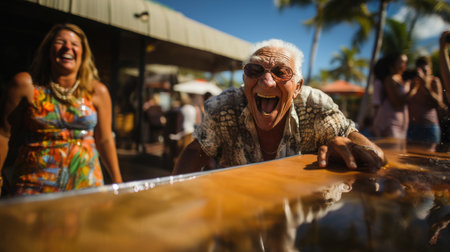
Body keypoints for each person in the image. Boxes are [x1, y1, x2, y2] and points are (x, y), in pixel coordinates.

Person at [172, 39, 385, 175]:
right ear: (245, 79)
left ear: (298, 87)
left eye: (281, 72)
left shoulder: (315, 105)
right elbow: (195, 151)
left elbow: (375, 155)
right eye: (255, 70)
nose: (266, 82)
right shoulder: (224, 107)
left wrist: (347, 147)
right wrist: (175, 196)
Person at [0, 23, 123, 196]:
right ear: (48, 51)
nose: (68, 47)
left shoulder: (97, 91)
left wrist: (120, 185)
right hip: (34, 187)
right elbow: (3, 134)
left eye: (75, 44)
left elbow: (105, 140)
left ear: (83, 54)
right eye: (60, 42)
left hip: (87, 187)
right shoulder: (26, 85)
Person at [372, 53, 420, 139]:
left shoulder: (403, 80)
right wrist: (413, 90)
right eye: (402, 62)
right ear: (392, 64)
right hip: (390, 121)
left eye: (406, 62)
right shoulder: (389, 79)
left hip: (401, 122)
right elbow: (396, 103)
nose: (405, 65)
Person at [407, 56, 447, 148]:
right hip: (412, 126)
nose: (423, 73)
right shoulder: (413, 82)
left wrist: (425, 86)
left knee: (428, 159)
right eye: (420, 70)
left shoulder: (434, 81)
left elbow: (439, 103)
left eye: (425, 70)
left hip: (429, 126)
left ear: (430, 70)